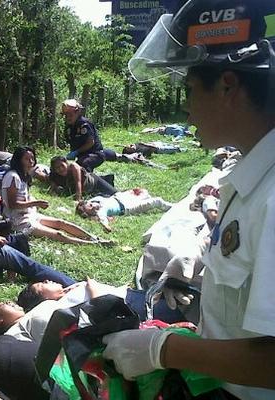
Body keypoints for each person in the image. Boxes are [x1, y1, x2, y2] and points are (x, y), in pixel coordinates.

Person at [101, 1, 275, 399]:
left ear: (228, 86)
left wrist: (169, 350)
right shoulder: (249, 180)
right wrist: (200, 339)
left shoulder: (272, 197)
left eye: (190, 89)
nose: (186, 107)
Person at [1, 146, 111, 245]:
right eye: (26, 159)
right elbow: (12, 204)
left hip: (29, 214)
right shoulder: (13, 176)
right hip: (17, 220)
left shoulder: (24, 176)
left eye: (32, 158)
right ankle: (93, 244)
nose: (31, 161)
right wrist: (36, 203)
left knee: (61, 223)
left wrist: (33, 202)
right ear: (19, 160)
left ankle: (94, 238)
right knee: (58, 234)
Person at [17, 279, 185, 323]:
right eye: (42, 285)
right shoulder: (62, 306)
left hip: (129, 296)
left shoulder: (67, 294)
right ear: (43, 299)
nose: (47, 281)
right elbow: (98, 304)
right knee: (184, 310)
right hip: (132, 306)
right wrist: (89, 284)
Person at [76, 188, 172, 232]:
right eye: (92, 209)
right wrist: (106, 226)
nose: (94, 206)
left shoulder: (93, 200)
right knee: (156, 201)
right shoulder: (101, 211)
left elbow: (80, 203)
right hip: (127, 207)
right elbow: (103, 220)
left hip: (120, 197)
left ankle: (145, 197)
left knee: (143, 192)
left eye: (91, 205)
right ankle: (173, 207)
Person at [61, 99, 105, 172]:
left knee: (84, 165)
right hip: (82, 156)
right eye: (66, 115)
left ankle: (94, 182)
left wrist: (76, 152)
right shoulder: (69, 127)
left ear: (77, 112)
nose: (68, 117)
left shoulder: (83, 124)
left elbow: (90, 142)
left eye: (70, 115)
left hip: (95, 154)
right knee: (72, 170)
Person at [49, 155, 117, 200]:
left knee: (116, 194)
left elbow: (78, 182)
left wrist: (78, 199)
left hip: (94, 182)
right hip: (87, 192)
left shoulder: (73, 166)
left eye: (62, 165)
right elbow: (50, 182)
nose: (61, 169)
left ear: (66, 163)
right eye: (57, 168)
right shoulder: (55, 175)